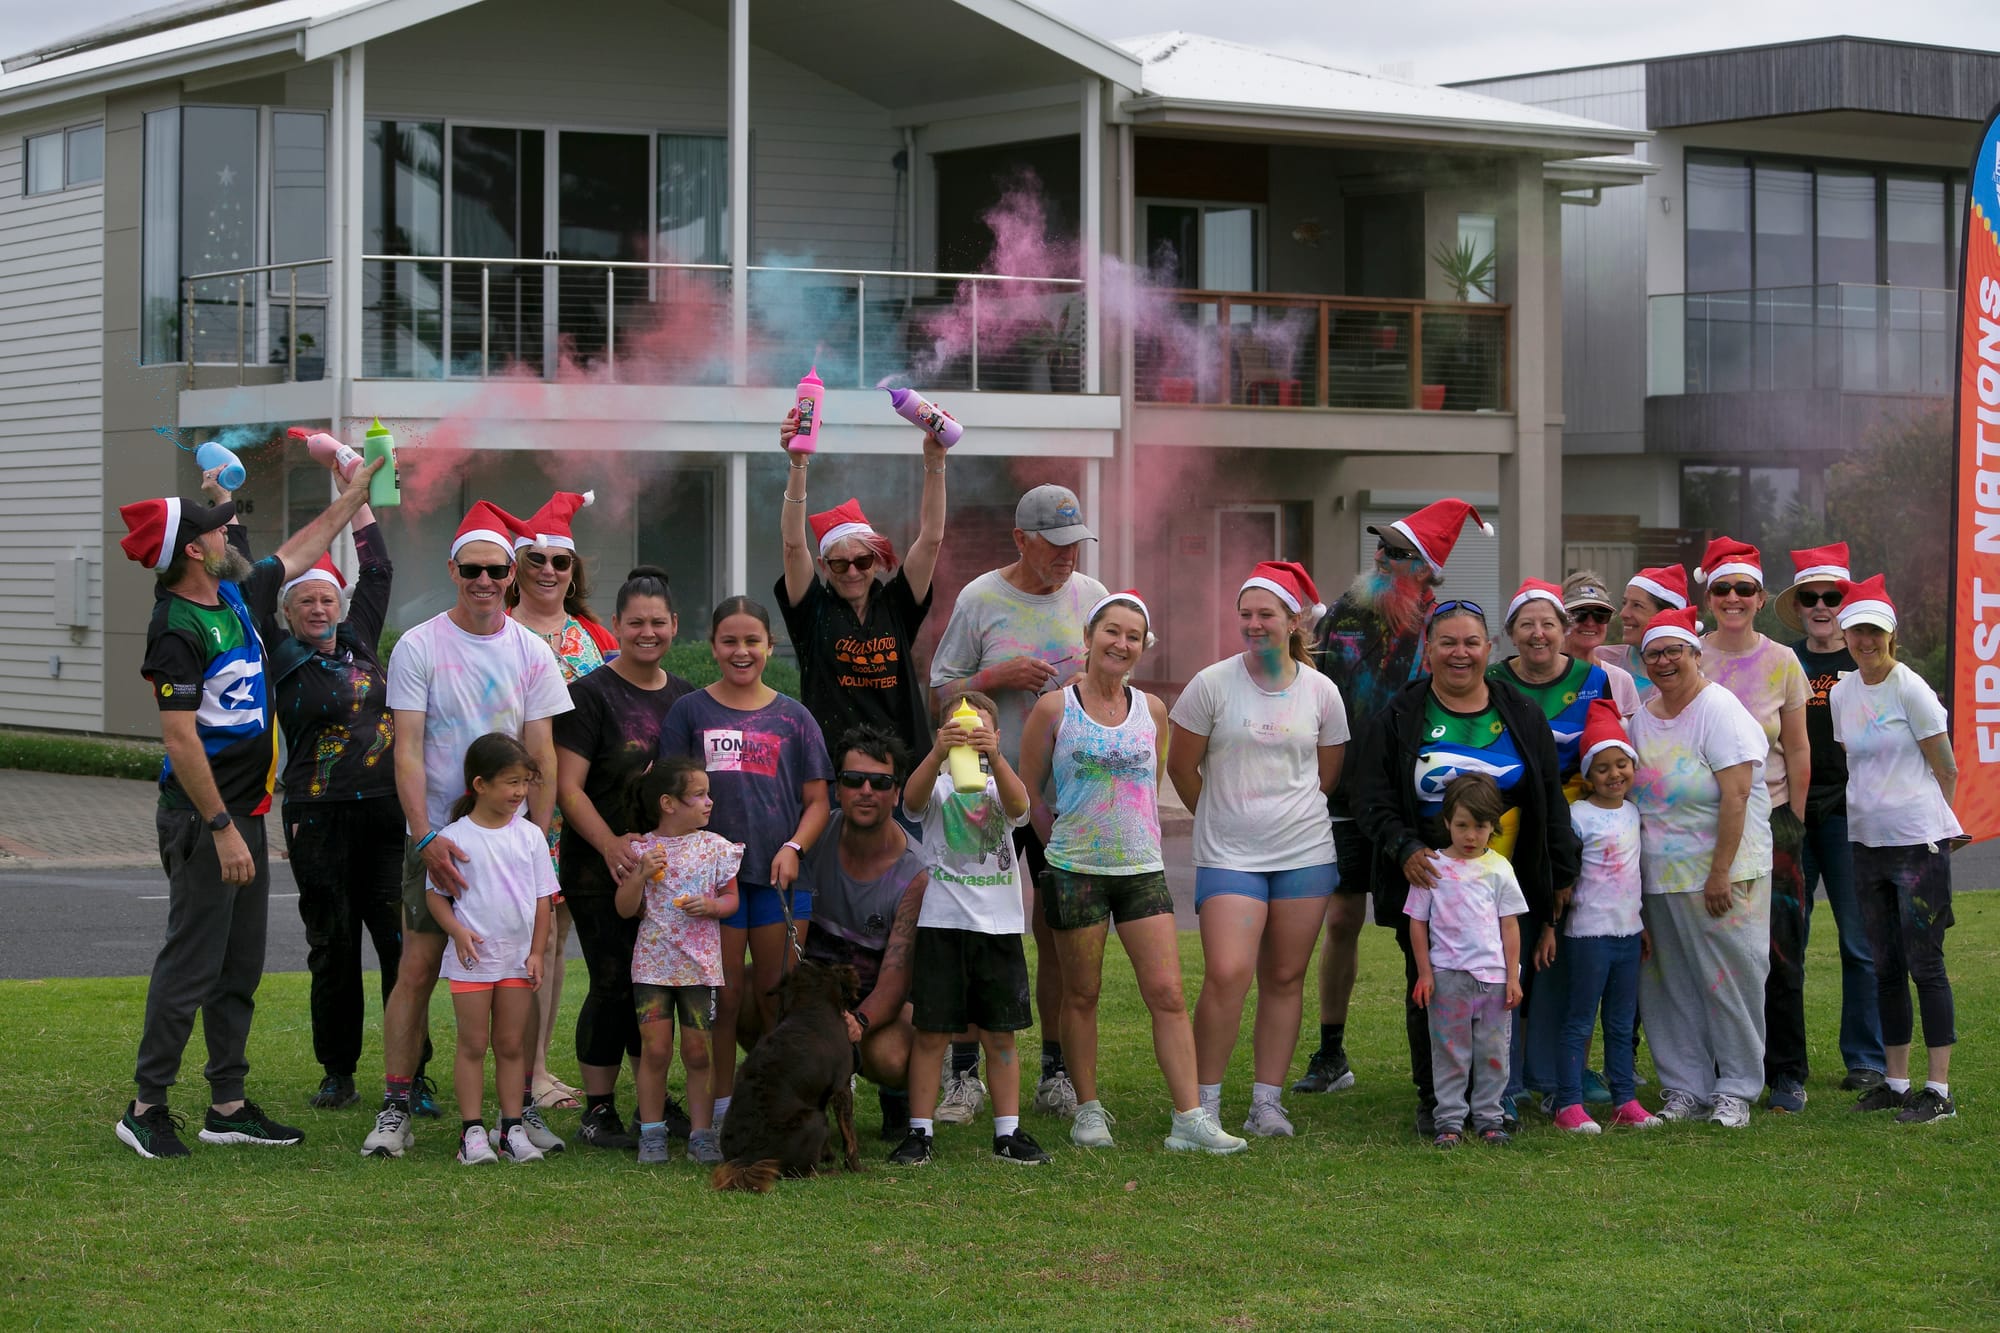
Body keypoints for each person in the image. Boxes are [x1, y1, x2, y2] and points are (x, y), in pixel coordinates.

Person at [113, 454, 379, 1160]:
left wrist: (353, 499)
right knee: (192, 961)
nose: (228, 533)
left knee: (239, 964)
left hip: (245, 814)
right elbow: (180, 737)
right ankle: (146, 1106)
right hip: (209, 818)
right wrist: (224, 827)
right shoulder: (176, 626)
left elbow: (299, 550)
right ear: (191, 550)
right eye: (213, 528)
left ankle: (227, 1103)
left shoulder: (235, 596)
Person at [362, 501, 574, 1160]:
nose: (484, 581)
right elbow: (408, 750)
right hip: (441, 838)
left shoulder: (532, 651)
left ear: (512, 575)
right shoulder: (420, 645)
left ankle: (516, 1111)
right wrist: (426, 838)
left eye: (496, 570)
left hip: (512, 840)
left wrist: (535, 839)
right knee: (419, 966)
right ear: (454, 570)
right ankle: (397, 1104)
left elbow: (543, 751)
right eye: (472, 569)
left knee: (520, 968)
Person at [1019, 591, 1246, 1155]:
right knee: (1083, 993)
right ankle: (1088, 1112)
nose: (1121, 643)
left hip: (1141, 867)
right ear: (1089, 640)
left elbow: (1150, 784)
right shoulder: (1054, 709)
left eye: (1133, 636)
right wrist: (1059, 846)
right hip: (1075, 869)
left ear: (1143, 647)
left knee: (1167, 992)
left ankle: (1189, 1119)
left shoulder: (1153, 711)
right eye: (1111, 632)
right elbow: (1025, 793)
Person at [1350, 598, 1579, 1138]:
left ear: (1489, 649)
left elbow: (1550, 797)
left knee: (1502, 994)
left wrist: (1561, 872)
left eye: (1471, 642)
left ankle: (1495, 1102)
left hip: (1503, 881)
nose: (1460, 653)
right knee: (1433, 994)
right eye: (1447, 642)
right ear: (1428, 650)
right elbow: (1370, 797)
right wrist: (1404, 847)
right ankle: (1437, 1099)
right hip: (1431, 881)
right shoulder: (1400, 717)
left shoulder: (1520, 712)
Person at [224, 453, 405, 1113]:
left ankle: (407, 1074)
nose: (320, 607)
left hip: (386, 814)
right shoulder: (278, 653)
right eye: (308, 600)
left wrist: (357, 493)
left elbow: (379, 567)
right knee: (333, 943)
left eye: (329, 597)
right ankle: (338, 1071)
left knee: (396, 944)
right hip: (316, 816)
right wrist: (228, 514)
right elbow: (246, 583)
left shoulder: (360, 639)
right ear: (290, 610)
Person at [929, 482, 1108, 1120]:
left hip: (1067, 799)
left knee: (1058, 932)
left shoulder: (1091, 598)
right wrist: (993, 678)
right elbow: (939, 694)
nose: (1067, 558)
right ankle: (964, 1074)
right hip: (989, 794)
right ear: (1020, 540)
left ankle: (1055, 1072)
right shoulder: (981, 599)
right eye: (1054, 546)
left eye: (1074, 545)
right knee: (975, 927)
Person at [1298, 498, 1488, 1098]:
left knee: (1431, 930)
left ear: (1427, 569)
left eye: (1399, 552)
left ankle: (1446, 1067)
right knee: (1341, 918)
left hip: (1417, 802)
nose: (1382, 556)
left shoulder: (1444, 630)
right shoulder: (1346, 613)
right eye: (1381, 546)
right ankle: (1331, 1053)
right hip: (1346, 793)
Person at [1168, 561, 1347, 1137]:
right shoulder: (1211, 684)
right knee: (1226, 973)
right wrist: (1222, 818)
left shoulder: (1322, 691)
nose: (1252, 624)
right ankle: (1204, 1105)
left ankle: (1267, 1102)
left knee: (1286, 977)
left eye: (1264, 614)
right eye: (1244, 614)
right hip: (1229, 856)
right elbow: (1181, 766)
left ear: (1292, 620)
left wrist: (1280, 818)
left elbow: (1326, 776)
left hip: (1305, 855)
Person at [658, 596, 832, 1138]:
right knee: (725, 1001)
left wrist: (794, 848)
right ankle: (722, 1113)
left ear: (769, 647)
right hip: (712, 889)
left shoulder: (793, 716)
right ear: (712, 647)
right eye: (729, 641)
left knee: (776, 998)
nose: (741, 651)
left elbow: (818, 801)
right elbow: (666, 791)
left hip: (779, 880)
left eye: (752, 641)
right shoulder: (690, 712)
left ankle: (780, 1105)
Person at [554, 567, 698, 1150]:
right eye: (635, 622)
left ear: (674, 627)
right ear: (614, 626)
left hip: (664, 875)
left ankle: (652, 1100)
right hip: (599, 867)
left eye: (657, 623)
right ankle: (597, 1107)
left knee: (654, 987)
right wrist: (611, 844)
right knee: (612, 981)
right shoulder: (589, 695)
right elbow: (568, 788)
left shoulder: (686, 695)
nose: (647, 632)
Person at [1627, 606, 1771, 1128]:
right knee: (1668, 985)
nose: (1664, 662)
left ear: (1695, 654)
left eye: (1674, 651)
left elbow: (1737, 796)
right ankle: (1684, 1087)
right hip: (1661, 879)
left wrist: (1720, 873)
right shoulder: (1641, 719)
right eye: (1654, 654)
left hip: (1723, 876)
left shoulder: (1720, 710)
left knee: (1730, 982)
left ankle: (1736, 1089)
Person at [894, 692, 1051, 1166]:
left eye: (981, 730)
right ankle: (919, 1132)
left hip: (998, 928)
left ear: (997, 736)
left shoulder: (999, 784)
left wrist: (996, 757)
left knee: (1000, 1034)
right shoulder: (939, 786)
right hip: (943, 922)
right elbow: (911, 800)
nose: (970, 737)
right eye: (958, 729)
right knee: (930, 1032)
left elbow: (1021, 807)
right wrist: (939, 752)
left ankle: (1008, 1132)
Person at [1827, 576, 1961, 1124]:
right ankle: (1896, 1081)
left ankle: (1939, 1090)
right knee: (1885, 965)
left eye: (1874, 632)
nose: (1865, 641)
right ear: (1846, 633)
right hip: (1866, 842)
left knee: (1925, 964)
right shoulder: (1840, 692)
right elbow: (1856, 762)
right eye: (1857, 630)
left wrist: (1934, 829)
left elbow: (1945, 767)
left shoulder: (1911, 688)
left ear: (1891, 635)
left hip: (1917, 845)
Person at [1490, 578, 1624, 1107]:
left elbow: (1605, 751)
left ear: (1563, 630)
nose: (1539, 634)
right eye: (1527, 625)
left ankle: (1552, 1074)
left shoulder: (1595, 680)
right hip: (1505, 834)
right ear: (1511, 634)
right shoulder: (1494, 678)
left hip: (1573, 834)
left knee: (1561, 954)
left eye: (1548, 623)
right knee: (1508, 951)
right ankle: (1505, 1077)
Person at [506, 489, 614, 1113]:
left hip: (575, 810)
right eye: (537, 559)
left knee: (556, 938)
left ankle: (538, 1068)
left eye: (561, 562)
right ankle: (515, 1070)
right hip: (511, 812)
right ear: (517, 566)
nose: (549, 571)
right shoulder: (495, 629)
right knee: (520, 941)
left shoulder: (594, 637)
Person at [1696, 536, 1811, 1115]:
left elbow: (1797, 747)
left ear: (1761, 598)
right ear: (1709, 595)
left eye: (1744, 589)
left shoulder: (1783, 660)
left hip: (1773, 819)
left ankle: (1786, 1072)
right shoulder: (1690, 655)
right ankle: (1723, 1068)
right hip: (1701, 823)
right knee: (1714, 948)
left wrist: (1796, 819)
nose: (1733, 598)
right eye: (1724, 589)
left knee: (1779, 948)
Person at [1776, 542, 1887, 1093]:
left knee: (1860, 941)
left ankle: (1865, 1057)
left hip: (1851, 816)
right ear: (1798, 605)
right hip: (1791, 812)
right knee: (1786, 940)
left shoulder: (1870, 663)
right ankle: (1784, 1063)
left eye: (1833, 596)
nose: (1821, 606)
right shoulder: (1780, 660)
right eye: (1811, 597)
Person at [776, 409, 945, 760]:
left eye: (863, 561)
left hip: (900, 773)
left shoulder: (896, 605)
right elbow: (793, 545)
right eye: (840, 563)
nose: (852, 571)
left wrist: (935, 460)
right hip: (833, 774)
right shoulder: (812, 610)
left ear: (877, 562)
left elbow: (930, 539)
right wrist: (798, 463)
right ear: (824, 566)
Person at [424, 733, 558, 1165]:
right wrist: (457, 932)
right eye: (511, 783)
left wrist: (537, 952)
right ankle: (471, 1133)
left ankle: (512, 1128)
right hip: (472, 962)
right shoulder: (453, 837)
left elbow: (543, 901)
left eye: (524, 783)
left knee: (512, 1045)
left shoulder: (532, 837)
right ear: (480, 785)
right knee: (473, 1044)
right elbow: (435, 896)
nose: (520, 792)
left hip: (517, 961)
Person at [795, 725, 929, 1138]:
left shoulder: (915, 872)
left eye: (880, 782)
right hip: (812, 993)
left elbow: (896, 976)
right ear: (838, 789)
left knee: (890, 1056)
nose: (866, 790)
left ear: (897, 792)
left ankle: (898, 1097)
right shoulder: (814, 838)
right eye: (853, 780)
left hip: (871, 1002)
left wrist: (859, 1022)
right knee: (747, 999)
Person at [615, 756, 743, 1164]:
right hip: (652, 968)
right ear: (669, 803)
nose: (709, 802)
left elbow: (732, 900)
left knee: (698, 1052)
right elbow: (624, 909)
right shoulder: (640, 849)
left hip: (700, 968)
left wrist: (712, 905)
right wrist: (638, 874)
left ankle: (702, 1134)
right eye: (699, 795)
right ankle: (652, 1133)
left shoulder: (716, 848)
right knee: (654, 1051)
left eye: (708, 794)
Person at [1546, 702, 1661, 1133]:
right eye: (1603, 768)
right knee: (1579, 1020)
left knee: (1619, 1021)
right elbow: (1565, 878)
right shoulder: (1577, 816)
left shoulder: (1634, 814)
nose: (1614, 775)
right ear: (1588, 775)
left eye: (1622, 765)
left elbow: (1634, 877)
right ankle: (1568, 1104)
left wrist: (1642, 924)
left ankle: (1624, 1099)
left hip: (1627, 935)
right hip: (1588, 935)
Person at [1407, 773, 1527, 1148]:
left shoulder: (1500, 869)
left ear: (1493, 826)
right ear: (1447, 823)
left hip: (1492, 980)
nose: (1471, 835)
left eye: (1480, 826)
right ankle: (1449, 1122)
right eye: (1462, 825)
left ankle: (1490, 1118)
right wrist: (1425, 974)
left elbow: (1510, 926)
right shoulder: (1432, 868)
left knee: (1493, 1052)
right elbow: (1417, 923)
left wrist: (1512, 977)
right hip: (1448, 979)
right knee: (1450, 1053)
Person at [1595, 564, 1690, 695]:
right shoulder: (1601, 660)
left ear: (1668, 614)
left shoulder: (1691, 674)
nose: (1623, 613)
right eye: (1625, 603)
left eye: (1637, 606)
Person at [1560, 571, 1642, 717]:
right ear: (1561, 618)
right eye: (1580, 613)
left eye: (1600, 614)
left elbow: (1630, 738)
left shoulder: (1620, 680)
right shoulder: (1541, 675)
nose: (1590, 622)